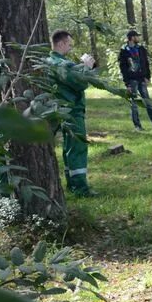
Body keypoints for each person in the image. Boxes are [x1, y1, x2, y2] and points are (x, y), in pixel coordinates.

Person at [47, 29, 97, 197]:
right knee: (77, 148)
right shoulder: (61, 63)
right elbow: (79, 82)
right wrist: (86, 67)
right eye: (69, 44)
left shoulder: (50, 61)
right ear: (61, 43)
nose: (70, 47)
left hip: (60, 109)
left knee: (69, 149)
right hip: (72, 110)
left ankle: (72, 185)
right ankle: (80, 189)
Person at [118, 30, 152, 132]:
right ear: (131, 38)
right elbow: (123, 69)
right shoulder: (124, 51)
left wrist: (147, 76)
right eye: (136, 36)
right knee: (134, 104)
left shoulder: (141, 49)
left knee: (147, 102)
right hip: (132, 80)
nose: (138, 38)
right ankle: (137, 126)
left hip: (142, 79)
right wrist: (127, 84)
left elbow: (146, 63)